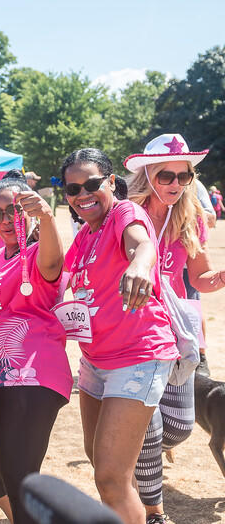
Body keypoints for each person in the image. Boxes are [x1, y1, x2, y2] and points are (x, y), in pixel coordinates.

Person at [61, 148, 178, 524]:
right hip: (95, 362)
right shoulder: (84, 236)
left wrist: (141, 264)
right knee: (100, 463)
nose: (83, 194)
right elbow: (58, 282)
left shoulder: (123, 214)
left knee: (111, 478)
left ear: (111, 183)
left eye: (92, 184)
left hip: (138, 355)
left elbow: (141, 243)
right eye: (73, 188)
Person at [0, 172, 71, 524]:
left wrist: (47, 217)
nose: (5, 220)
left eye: (13, 210)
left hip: (29, 375)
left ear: (27, 210)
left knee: (18, 473)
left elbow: (54, 263)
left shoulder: (38, 252)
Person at [124, 133, 225, 524]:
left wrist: (221, 276)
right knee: (149, 422)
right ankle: (147, 504)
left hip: (178, 333)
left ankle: (127, 459)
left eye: (184, 177)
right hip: (135, 330)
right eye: (166, 175)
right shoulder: (128, 213)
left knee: (180, 428)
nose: (176, 185)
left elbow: (198, 279)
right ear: (148, 173)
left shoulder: (190, 217)